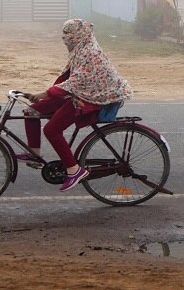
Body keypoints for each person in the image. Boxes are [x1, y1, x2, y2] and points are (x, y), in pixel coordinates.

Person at [18, 18, 133, 192]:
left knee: (51, 130)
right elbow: (69, 79)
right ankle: (34, 153)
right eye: (64, 34)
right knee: (31, 111)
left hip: (92, 98)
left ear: (79, 34)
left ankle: (74, 170)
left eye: (69, 34)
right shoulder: (80, 49)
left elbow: (77, 81)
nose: (65, 38)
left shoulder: (90, 53)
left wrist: (45, 94)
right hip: (78, 93)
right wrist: (47, 96)